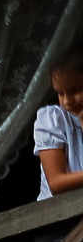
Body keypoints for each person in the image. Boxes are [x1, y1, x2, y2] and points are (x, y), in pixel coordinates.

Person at [38, 51, 83, 201]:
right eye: (60, 93)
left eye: (75, 90)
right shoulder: (53, 119)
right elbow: (57, 184)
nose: (67, 101)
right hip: (56, 216)